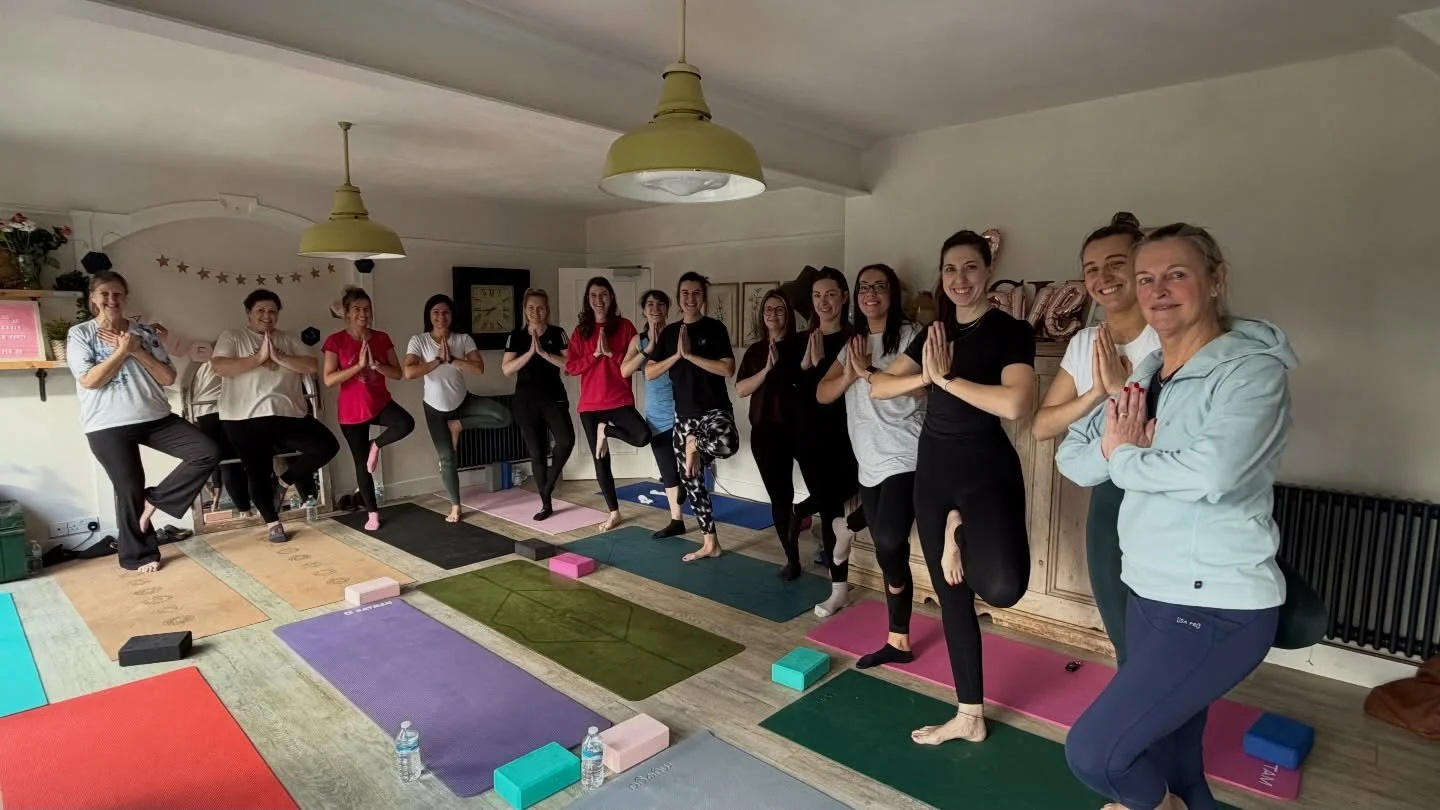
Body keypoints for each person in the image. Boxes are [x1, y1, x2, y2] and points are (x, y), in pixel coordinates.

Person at [1058, 224, 1296, 810]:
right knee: (1176, 765)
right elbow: (1074, 460)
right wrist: (1125, 453)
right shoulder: (1144, 376)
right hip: (1148, 592)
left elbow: (1211, 475)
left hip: (1216, 606)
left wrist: (1127, 454)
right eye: (1146, 279)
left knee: (1094, 753)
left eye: (1176, 274)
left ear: (1216, 280)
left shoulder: (1251, 373)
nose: (1157, 290)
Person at [870, 230, 1035, 745]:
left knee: (1004, 588)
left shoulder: (1011, 330)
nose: (958, 279)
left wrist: (944, 381)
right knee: (952, 598)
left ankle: (959, 534)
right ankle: (969, 715)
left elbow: (1015, 404)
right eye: (949, 270)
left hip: (986, 465)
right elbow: (880, 385)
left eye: (969, 268)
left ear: (987, 271)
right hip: (934, 469)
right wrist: (925, 377)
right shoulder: (934, 333)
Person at [1032, 212, 1160, 666]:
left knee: (1163, 625)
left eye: (1115, 263)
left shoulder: (1168, 336)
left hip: (1162, 496)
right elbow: (1042, 426)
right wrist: (1098, 392)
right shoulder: (1086, 342)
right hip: (1109, 491)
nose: (1102, 277)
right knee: (1120, 620)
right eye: (1091, 269)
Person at [67, 271, 218, 572]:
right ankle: (140, 555)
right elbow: (90, 381)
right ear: (93, 299)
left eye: (118, 294)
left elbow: (168, 376)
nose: (112, 300)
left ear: (125, 297)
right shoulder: (80, 334)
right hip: (106, 424)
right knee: (128, 488)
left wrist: (135, 350)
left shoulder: (145, 334)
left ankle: (157, 499)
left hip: (155, 417)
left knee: (207, 451)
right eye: (105, 294)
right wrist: (122, 352)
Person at [817, 263, 926, 654]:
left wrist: (870, 372)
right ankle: (898, 638)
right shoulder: (854, 342)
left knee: (890, 540)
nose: (871, 294)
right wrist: (850, 373)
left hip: (905, 452)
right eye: (864, 287)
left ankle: (849, 527)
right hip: (868, 457)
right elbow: (823, 394)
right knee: (885, 545)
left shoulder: (913, 336)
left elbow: (922, 390)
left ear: (893, 294)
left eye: (880, 287)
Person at [211, 289, 340, 544]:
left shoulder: (288, 339)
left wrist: (278, 356)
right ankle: (273, 522)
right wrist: (259, 357)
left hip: (287, 415)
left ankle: (283, 482)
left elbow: (311, 366)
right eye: (260, 311)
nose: (267, 316)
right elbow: (221, 367)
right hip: (243, 418)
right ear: (249, 313)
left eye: (272, 311)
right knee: (258, 471)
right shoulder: (233, 337)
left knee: (326, 446)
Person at [643, 272, 739, 561]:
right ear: (679, 296)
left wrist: (691, 355)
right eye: (685, 293)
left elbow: (728, 369)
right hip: (683, 417)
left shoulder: (715, 328)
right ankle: (711, 543)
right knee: (693, 482)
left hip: (714, 411)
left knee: (728, 444)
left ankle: (695, 444)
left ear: (703, 297)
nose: (690, 298)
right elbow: (649, 372)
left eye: (696, 293)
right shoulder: (670, 333)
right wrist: (676, 356)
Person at [403, 294, 512, 522]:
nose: (441, 317)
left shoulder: (463, 340)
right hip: (435, 409)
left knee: (504, 416)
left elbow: (478, 368)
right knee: (447, 458)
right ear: (429, 316)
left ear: (452, 316)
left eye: (445, 312)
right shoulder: (419, 341)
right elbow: (409, 372)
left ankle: (458, 425)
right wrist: (436, 361)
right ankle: (455, 506)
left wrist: (452, 359)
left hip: (463, 401)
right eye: (436, 312)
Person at [788, 268, 861, 586]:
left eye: (830, 294)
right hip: (809, 435)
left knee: (850, 491)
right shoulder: (803, 340)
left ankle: (799, 510)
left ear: (844, 297)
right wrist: (808, 365)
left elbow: (851, 387)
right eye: (817, 296)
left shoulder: (856, 338)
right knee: (831, 509)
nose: (823, 302)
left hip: (848, 435)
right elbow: (799, 393)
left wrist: (819, 366)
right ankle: (838, 585)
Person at [323, 287, 414, 532]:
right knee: (362, 465)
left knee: (405, 423)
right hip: (351, 411)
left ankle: (377, 444)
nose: (363, 314)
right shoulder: (335, 341)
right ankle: (372, 513)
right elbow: (329, 379)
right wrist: (358, 367)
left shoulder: (381, 338)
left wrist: (376, 365)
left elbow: (397, 373)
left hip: (379, 402)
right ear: (347, 313)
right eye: (357, 309)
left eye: (366, 309)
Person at [565, 277, 651, 531]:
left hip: (619, 399)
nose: (598, 300)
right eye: (593, 295)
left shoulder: (624, 327)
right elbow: (570, 367)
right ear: (587, 299)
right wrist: (594, 356)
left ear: (611, 297)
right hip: (590, 405)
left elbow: (633, 365)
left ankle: (608, 431)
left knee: (643, 435)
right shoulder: (581, 331)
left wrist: (612, 355)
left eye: (603, 294)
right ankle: (613, 512)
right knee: (600, 460)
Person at [736, 290, 810, 575]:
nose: (773, 314)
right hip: (765, 432)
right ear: (762, 314)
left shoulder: (801, 343)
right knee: (780, 497)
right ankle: (792, 560)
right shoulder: (756, 351)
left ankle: (802, 512)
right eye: (768, 309)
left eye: (779, 309)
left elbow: (810, 382)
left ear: (788, 314)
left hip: (800, 427)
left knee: (822, 487)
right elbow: (741, 389)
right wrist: (766, 370)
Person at [499, 289, 574, 521]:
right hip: (525, 400)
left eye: (540, 308)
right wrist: (530, 352)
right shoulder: (516, 336)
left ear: (547, 310)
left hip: (553, 397)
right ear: (525, 310)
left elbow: (571, 365)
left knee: (566, 440)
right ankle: (545, 503)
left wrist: (543, 352)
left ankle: (548, 485)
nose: (535, 312)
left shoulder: (557, 333)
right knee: (537, 452)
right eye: (531, 308)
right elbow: (507, 369)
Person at [620, 289, 688, 538]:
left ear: (668, 309)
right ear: (643, 309)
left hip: (682, 410)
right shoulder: (638, 341)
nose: (655, 308)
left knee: (690, 465)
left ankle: (686, 488)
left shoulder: (676, 335)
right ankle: (676, 520)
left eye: (660, 304)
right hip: (656, 414)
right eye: (650, 304)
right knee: (667, 470)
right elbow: (625, 371)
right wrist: (647, 350)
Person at [190, 359, 257, 517]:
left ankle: (244, 510)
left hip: (205, 410)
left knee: (228, 463)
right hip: (232, 406)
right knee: (249, 459)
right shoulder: (234, 354)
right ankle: (256, 506)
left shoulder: (200, 359)